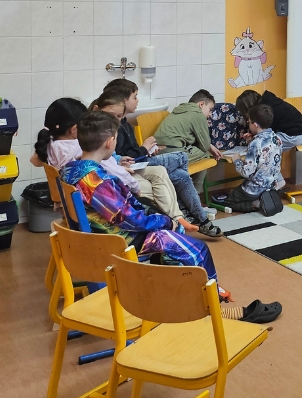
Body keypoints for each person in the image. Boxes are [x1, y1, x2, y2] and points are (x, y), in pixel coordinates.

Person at [60, 111, 280, 323]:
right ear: (109, 142)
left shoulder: (71, 170)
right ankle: (213, 310)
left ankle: (179, 296)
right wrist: (164, 221)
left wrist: (161, 218)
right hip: (120, 241)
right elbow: (129, 218)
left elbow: (125, 209)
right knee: (197, 251)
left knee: (176, 232)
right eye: (116, 139)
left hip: (104, 235)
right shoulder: (95, 181)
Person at [90, 90, 196, 231]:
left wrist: (120, 159)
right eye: (135, 97)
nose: (116, 120)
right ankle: (171, 222)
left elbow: (113, 156)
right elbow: (112, 166)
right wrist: (143, 150)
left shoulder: (118, 126)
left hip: (125, 166)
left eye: (119, 116)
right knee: (177, 166)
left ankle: (177, 218)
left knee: (162, 171)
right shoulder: (97, 132)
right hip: (123, 174)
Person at [154, 89, 223, 195]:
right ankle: (194, 195)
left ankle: (188, 194)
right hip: (172, 152)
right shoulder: (197, 114)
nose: (210, 114)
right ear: (201, 104)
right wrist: (209, 147)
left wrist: (210, 146)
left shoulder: (178, 110)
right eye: (210, 109)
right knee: (205, 154)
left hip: (157, 151)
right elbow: (204, 146)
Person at [222, 104, 285, 213]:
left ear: (255, 125)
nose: (248, 124)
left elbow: (246, 172)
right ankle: (265, 198)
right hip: (271, 185)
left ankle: (255, 204)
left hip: (254, 189)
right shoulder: (277, 138)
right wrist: (252, 141)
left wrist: (237, 160)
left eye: (249, 122)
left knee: (228, 200)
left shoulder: (256, 144)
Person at [235, 89, 302, 149]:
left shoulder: (265, 111)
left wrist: (253, 138)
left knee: (260, 145)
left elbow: (265, 133)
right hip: (298, 133)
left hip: (295, 136)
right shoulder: (270, 103)